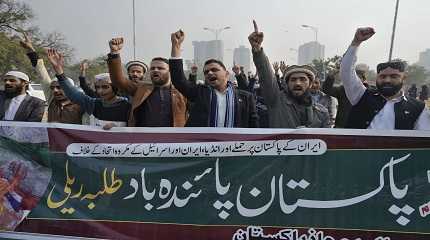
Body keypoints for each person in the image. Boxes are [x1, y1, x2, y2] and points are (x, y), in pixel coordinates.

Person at [340, 27, 430, 130]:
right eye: (382, 76)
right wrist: (356, 42)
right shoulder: (361, 96)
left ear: (404, 78)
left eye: (393, 76)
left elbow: (422, 140)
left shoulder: (418, 108)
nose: (387, 80)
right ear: (377, 78)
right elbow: (346, 72)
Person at [169, 29, 259, 127]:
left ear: (227, 74)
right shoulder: (200, 93)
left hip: (235, 142)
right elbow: (179, 80)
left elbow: (254, 128)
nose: (210, 73)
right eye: (206, 72)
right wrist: (176, 46)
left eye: (214, 70)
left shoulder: (246, 98)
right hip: (202, 142)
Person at [249, 20, 329, 128]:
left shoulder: (322, 113)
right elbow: (267, 76)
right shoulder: (277, 101)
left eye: (302, 79)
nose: (298, 83)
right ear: (286, 83)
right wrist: (257, 49)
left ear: (310, 84)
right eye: (293, 80)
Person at [107, 37, 187, 127]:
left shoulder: (182, 92)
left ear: (170, 71)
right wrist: (114, 53)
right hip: (143, 139)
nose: (155, 70)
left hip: (172, 139)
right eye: (152, 68)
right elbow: (118, 80)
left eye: (160, 68)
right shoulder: (141, 88)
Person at [46, 49, 131, 129]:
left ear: (114, 87)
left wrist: (117, 128)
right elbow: (73, 94)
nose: (100, 91)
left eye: (105, 87)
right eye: (97, 87)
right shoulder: (95, 104)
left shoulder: (127, 106)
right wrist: (58, 70)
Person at [19, 33, 83, 124]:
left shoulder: (82, 104)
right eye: (52, 88)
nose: (55, 91)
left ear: (70, 89)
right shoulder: (51, 99)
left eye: (59, 87)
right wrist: (30, 49)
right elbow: (41, 71)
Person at [322, 62, 373, 128]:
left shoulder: (369, 92)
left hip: (362, 129)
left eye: (359, 78)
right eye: (354, 78)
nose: (356, 80)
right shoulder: (343, 90)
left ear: (364, 80)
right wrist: (331, 76)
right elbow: (327, 89)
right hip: (342, 127)